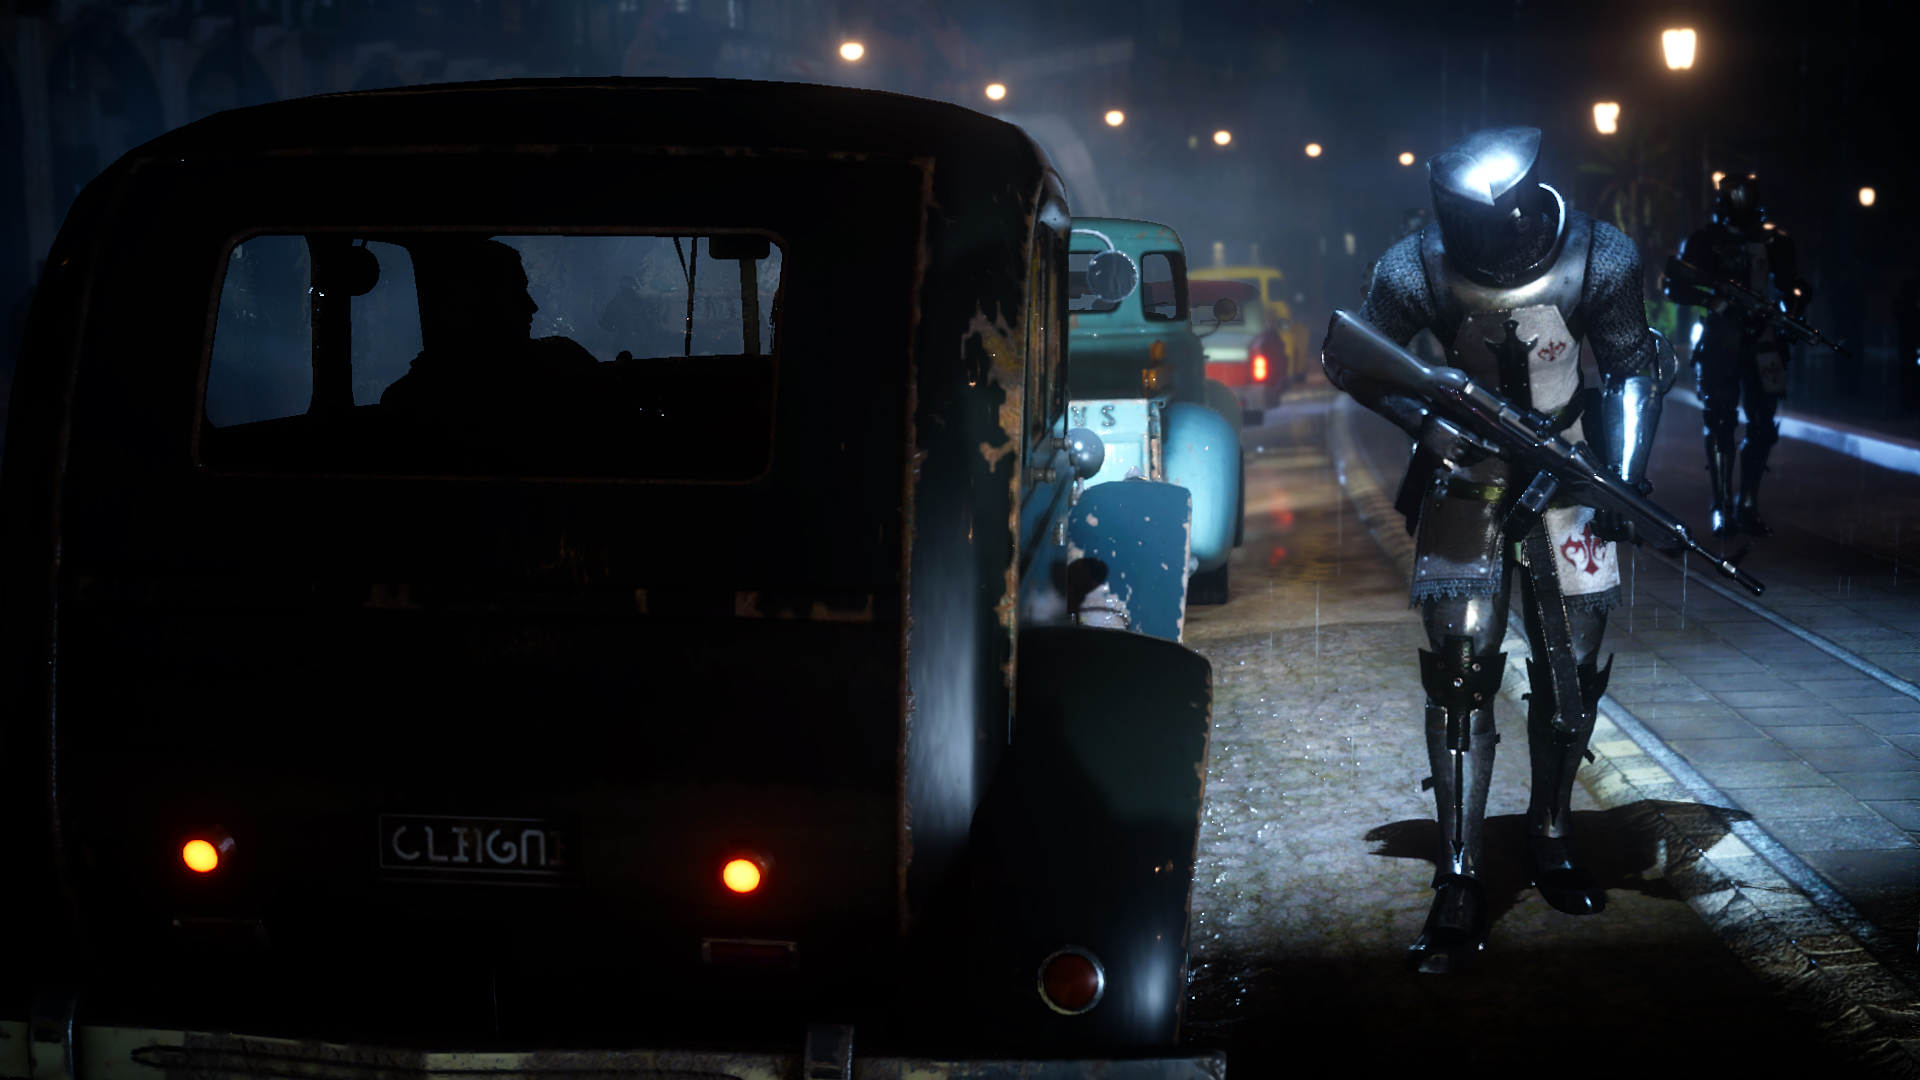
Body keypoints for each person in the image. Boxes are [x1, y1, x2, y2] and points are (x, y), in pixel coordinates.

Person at [1324, 127, 1676, 973]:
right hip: (1467, 477)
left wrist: (1624, 473)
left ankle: (1551, 834)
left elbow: (1632, 365)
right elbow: (1351, 357)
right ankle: (1459, 870)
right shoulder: (1415, 267)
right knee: (1459, 670)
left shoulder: (1601, 255)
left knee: (1572, 672)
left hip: (1572, 468)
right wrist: (1425, 420)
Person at [1664, 175, 1810, 537]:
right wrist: (1712, 299)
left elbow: (1792, 283)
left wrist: (1789, 315)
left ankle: (1747, 503)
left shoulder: (1774, 239)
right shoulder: (1704, 240)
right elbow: (1674, 285)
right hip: (1721, 338)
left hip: (1762, 337)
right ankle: (1722, 505)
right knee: (1720, 422)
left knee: (1762, 425)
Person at [380, 238, 603, 418]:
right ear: (469, 301)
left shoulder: (406, 399)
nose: (532, 306)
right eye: (514, 292)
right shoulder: (563, 360)